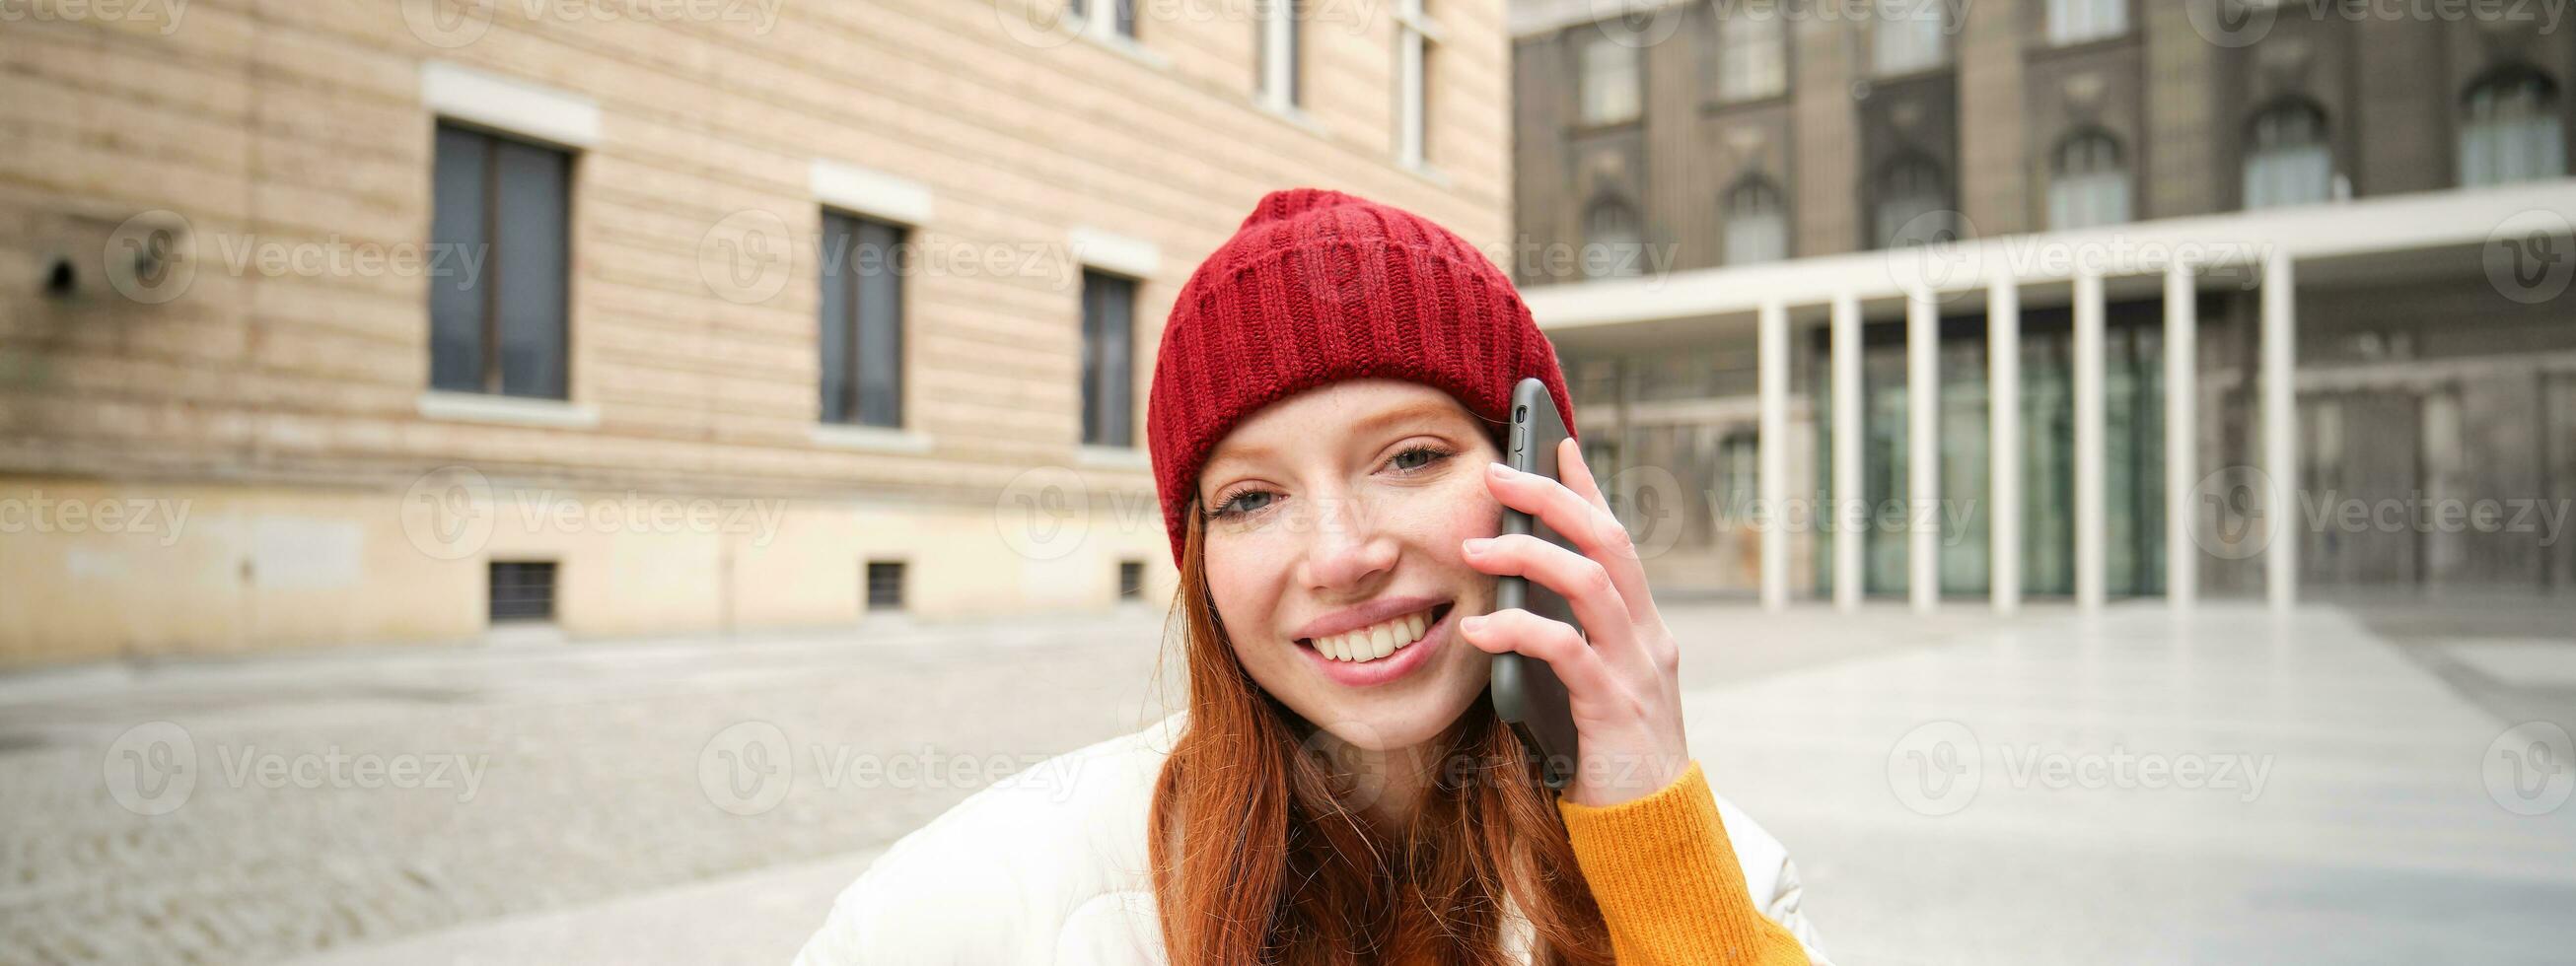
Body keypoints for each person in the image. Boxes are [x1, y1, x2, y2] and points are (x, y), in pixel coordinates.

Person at [792, 188, 1830, 965]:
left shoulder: (1708, 864)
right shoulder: (976, 901)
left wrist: (1647, 813)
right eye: (1250, 498)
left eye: (1410, 457)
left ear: (1540, 480)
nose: (1339, 555)